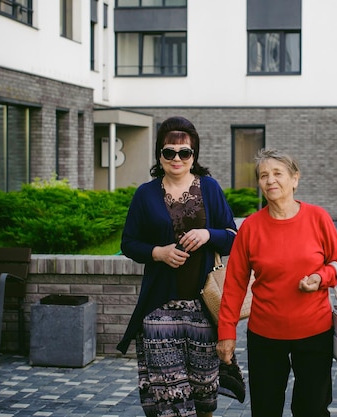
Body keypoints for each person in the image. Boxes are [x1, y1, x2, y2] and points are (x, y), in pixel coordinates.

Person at [117, 116, 237, 417]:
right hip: (159, 309)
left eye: (184, 152)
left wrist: (209, 234)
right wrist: (158, 252)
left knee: (204, 398)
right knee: (169, 400)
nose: (177, 158)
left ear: (194, 155)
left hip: (204, 309)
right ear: (159, 155)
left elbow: (233, 238)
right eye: (169, 152)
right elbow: (129, 243)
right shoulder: (145, 194)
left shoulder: (209, 188)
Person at [216, 148, 337, 417]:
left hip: (314, 333)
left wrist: (320, 278)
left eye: (277, 173)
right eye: (264, 175)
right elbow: (234, 285)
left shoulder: (318, 218)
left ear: (295, 179)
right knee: (266, 409)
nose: (270, 180)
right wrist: (226, 333)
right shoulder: (251, 228)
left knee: (312, 409)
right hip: (265, 336)